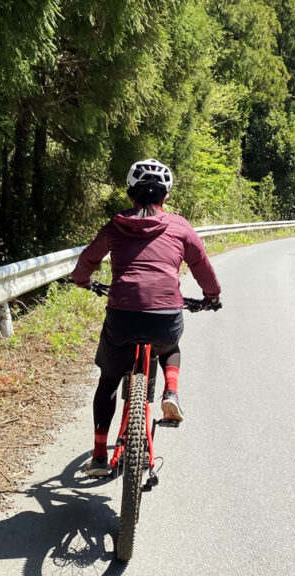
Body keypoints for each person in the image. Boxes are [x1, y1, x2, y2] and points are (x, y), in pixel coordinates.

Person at [70, 158, 221, 477]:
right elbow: (202, 266)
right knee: (170, 348)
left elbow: (89, 258)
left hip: (123, 315)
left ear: (130, 195)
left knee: (109, 381)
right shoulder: (180, 226)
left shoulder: (115, 224)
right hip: (165, 314)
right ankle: (170, 392)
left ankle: (99, 456)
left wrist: (82, 280)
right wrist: (211, 296)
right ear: (165, 196)